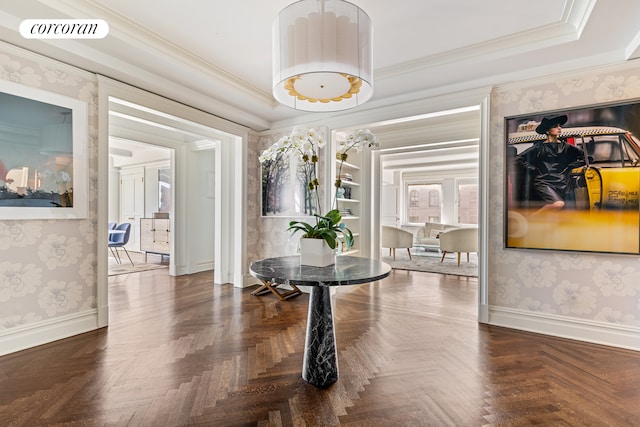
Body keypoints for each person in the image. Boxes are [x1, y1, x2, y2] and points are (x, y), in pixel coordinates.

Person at [515, 115, 585, 211]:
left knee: (566, 211)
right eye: (555, 126)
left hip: (562, 182)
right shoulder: (539, 147)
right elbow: (518, 159)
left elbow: (586, 157)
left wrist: (569, 167)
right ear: (547, 131)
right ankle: (531, 219)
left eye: (560, 126)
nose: (559, 128)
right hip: (544, 182)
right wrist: (534, 169)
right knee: (559, 204)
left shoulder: (566, 146)